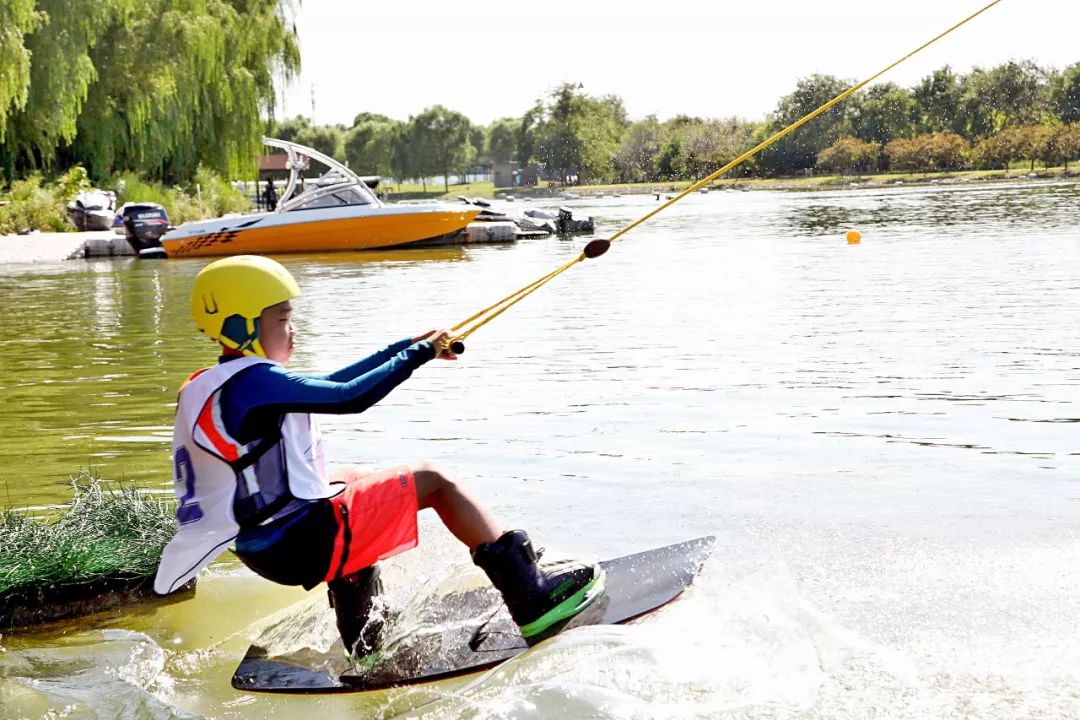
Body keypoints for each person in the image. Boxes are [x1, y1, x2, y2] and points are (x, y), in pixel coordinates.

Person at [153, 255, 604, 658]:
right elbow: (349, 396)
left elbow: (328, 383)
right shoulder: (255, 383)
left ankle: (367, 640)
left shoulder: (216, 381)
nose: (293, 330)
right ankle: (532, 597)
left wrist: (403, 347)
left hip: (264, 547)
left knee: (352, 480)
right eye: (282, 320)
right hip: (299, 543)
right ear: (241, 326)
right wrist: (419, 353)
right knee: (435, 480)